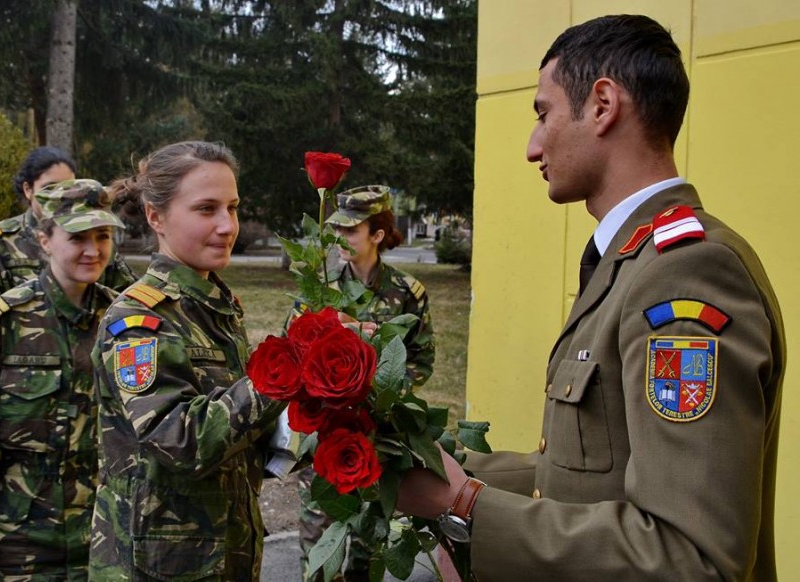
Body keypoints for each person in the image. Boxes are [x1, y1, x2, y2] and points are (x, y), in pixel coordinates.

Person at [396, 14, 785, 582]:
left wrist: (465, 505)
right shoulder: (633, 261)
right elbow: (584, 474)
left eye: (543, 113)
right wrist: (449, 468)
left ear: (602, 105)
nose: (533, 147)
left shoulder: (685, 274)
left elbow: (692, 557)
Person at [89, 141, 285, 581]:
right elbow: (179, 440)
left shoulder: (212, 306)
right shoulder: (138, 321)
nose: (226, 225)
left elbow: (239, 427)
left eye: (232, 208)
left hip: (223, 553)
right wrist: (281, 373)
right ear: (155, 216)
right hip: (161, 568)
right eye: (206, 209)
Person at [0, 179, 126, 581]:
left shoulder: (124, 321)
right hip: (21, 536)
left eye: (103, 236)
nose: (93, 250)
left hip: (106, 530)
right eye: (77, 237)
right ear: (45, 240)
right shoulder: (6, 320)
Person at [297, 185, 436, 581]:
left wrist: (388, 393)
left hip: (375, 435)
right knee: (317, 536)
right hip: (326, 432)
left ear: (377, 235)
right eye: (336, 230)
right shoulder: (321, 288)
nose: (339, 239)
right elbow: (297, 349)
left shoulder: (407, 294)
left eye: (350, 231)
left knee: (367, 536)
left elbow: (421, 357)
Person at [0, 146, 136, 331]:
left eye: (68, 186)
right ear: (28, 189)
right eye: (50, 187)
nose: (61, 194)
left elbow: (127, 299)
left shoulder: (95, 240)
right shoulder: (0, 241)